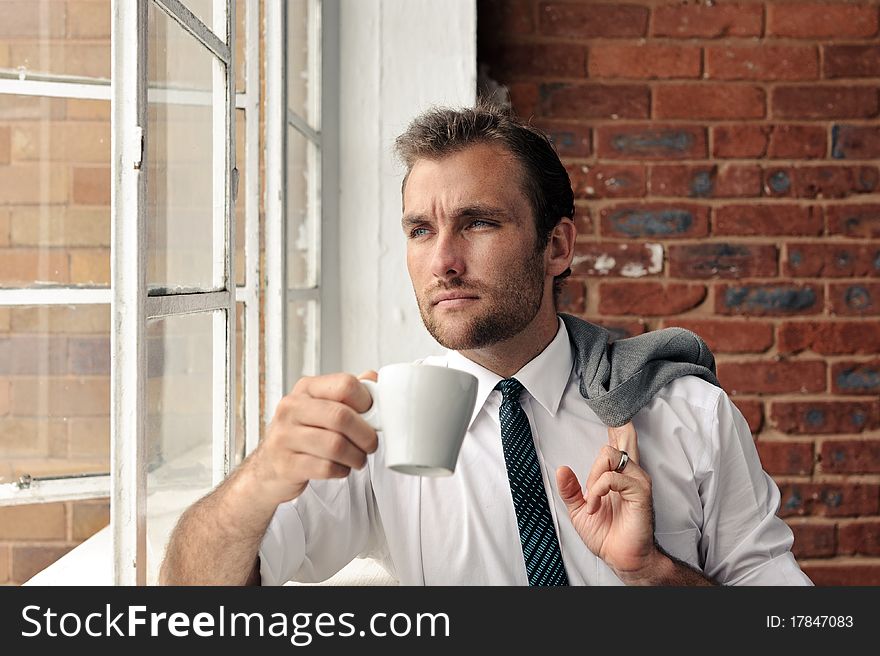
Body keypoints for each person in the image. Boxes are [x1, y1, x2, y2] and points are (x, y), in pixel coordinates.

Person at [159, 103, 813, 586]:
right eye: (420, 230)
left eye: (477, 222)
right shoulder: (375, 427)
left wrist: (651, 573)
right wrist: (259, 479)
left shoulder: (685, 413)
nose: (443, 260)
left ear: (556, 247)